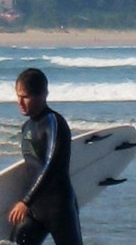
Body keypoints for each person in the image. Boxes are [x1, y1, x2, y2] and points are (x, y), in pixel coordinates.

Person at [8, 68, 83, 245]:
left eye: (25, 96)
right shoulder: (26, 127)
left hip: (59, 209)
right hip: (34, 211)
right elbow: (32, 168)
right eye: (17, 96)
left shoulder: (54, 123)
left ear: (43, 94)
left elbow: (52, 165)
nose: (20, 102)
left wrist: (25, 201)